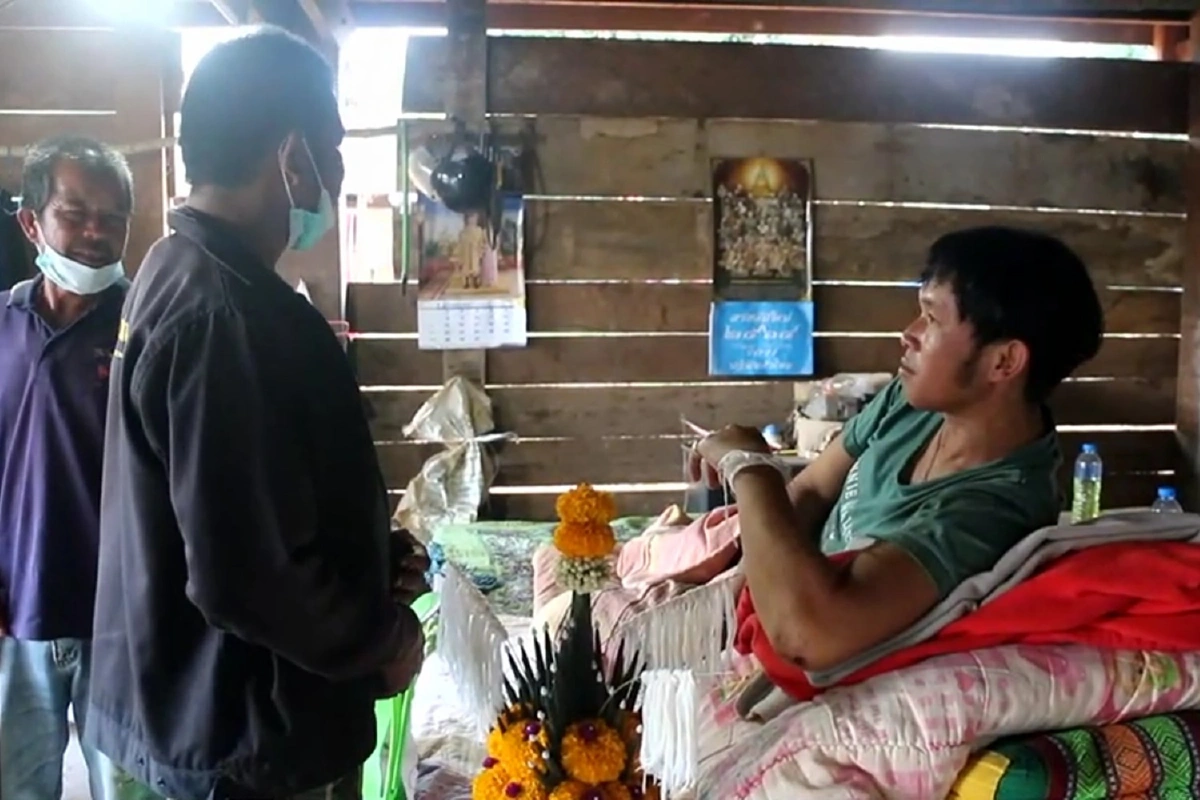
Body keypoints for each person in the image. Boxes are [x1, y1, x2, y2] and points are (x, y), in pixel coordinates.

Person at [85, 27, 429, 800]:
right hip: (244, 738)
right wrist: (380, 641)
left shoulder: (175, 270)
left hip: (196, 708)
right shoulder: (227, 318)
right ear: (294, 158)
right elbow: (249, 574)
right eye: (333, 153)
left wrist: (367, 558)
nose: (336, 175)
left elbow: (235, 502)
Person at [690, 225, 1104, 673]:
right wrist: (740, 584)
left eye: (932, 318)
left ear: (1003, 361)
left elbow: (808, 636)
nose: (908, 334)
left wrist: (751, 468)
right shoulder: (910, 403)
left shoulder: (994, 510)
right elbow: (810, 490)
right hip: (765, 611)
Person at [0, 135, 133, 799]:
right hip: (16, 612)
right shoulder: (2, 326)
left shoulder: (149, 328)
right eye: (74, 214)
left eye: (112, 218)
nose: (94, 233)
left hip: (124, 621)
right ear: (31, 223)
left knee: (128, 785)